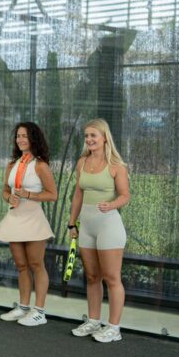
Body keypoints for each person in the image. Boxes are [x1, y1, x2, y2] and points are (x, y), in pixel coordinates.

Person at [67, 118, 131, 343]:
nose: (89, 139)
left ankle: (114, 328)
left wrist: (111, 205)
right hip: (87, 226)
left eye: (93, 135)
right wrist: (72, 224)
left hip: (108, 226)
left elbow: (125, 195)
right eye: (86, 136)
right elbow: (78, 195)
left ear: (104, 138)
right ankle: (93, 321)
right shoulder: (82, 162)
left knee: (112, 278)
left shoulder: (116, 166)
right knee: (92, 276)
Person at [0, 122, 58, 327]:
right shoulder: (12, 165)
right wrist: (8, 197)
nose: (20, 139)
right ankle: (23, 307)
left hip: (33, 219)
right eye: (18, 136)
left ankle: (39, 312)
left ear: (33, 139)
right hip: (15, 218)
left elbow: (52, 195)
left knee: (36, 265)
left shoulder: (40, 166)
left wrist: (28, 194)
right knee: (21, 266)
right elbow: (5, 190)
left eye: (25, 136)